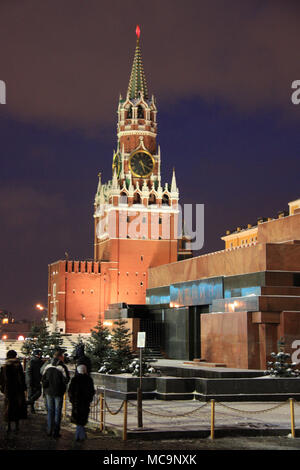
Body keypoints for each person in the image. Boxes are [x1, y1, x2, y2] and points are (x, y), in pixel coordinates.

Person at [42, 348, 70, 438]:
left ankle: (49, 430)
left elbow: (43, 376)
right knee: (58, 412)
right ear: (60, 357)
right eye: (62, 356)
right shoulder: (62, 367)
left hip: (48, 391)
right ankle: (56, 431)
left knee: (50, 411)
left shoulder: (48, 365)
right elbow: (66, 379)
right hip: (58, 392)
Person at [0, 350, 27, 433]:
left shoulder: (4, 366)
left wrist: (3, 389)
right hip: (18, 390)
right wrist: (24, 388)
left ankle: (8, 426)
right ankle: (16, 425)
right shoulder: (18, 365)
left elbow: (1, 380)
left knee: (8, 407)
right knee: (17, 407)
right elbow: (22, 378)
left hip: (8, 390)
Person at [68, 364, 95, 441]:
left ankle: (79, 435)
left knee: (78, 419)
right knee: (82, 419)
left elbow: (70, 391)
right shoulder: (89, 379)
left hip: (76, 402)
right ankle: (81, 435)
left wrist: (72, 400)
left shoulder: (75, 379)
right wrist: (89, 399)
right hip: (85, 402)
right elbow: (91, 391)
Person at [25, 349, 43, 413]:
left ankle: (28, 403)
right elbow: (28, 373)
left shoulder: (40, 362)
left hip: (37, 380)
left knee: (38, 393)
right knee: (31, 394)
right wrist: (29, 381)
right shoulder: (31, 362)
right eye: (39, 354)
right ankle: (31, 408)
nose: (40, 356)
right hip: (32, 381)